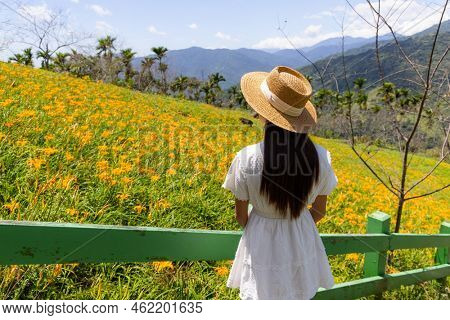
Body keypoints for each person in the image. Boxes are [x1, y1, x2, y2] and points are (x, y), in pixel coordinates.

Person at [222, 66, 338, 300]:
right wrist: (294, 223)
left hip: (260, 239)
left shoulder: (246, 158)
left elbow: (240, 216)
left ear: (264, 113)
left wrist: (264, 227)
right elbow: (319, 211)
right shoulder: (322, 157)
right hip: (301, 235)